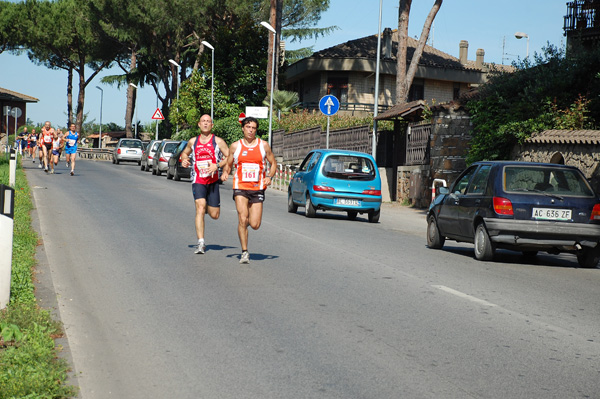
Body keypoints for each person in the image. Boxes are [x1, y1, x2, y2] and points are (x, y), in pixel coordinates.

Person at [221, 116, 277, 264]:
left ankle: (243, 226)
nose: (251, 130)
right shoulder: (235, 146)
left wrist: (269, 176)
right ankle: (244, 251)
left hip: (257, 188)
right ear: (243, 128)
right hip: (240, 187)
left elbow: (273, 163)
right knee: (242, 217)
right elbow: (229, 162)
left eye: (253, 128)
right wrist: (226, 172)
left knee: (255, 224)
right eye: (248, 127)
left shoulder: (263, 145)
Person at [180, 115, 229, 254]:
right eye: (203, 121)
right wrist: (184, 160)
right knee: (200, 208)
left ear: (212, 125)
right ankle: (201, 242)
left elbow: (230, 157)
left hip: (213, 181)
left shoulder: (218, 141)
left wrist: (218, 166)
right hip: (198, 179)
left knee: (215, 215)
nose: (206, 123)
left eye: (208, 121)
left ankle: (206, 205)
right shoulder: (193, 142)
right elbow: (185, 154)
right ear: (199, 124)